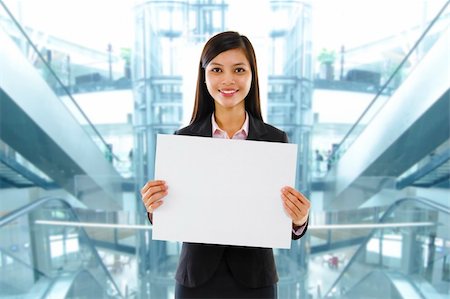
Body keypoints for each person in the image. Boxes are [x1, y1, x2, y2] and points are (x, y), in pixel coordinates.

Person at [140, 31, 310, 299]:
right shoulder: (184, 140)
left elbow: (279, 215)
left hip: (256, 280)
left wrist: (299, 220)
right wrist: (153, 207)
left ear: (252, 75)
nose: (228, 80)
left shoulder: (275, 140)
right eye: (217, 69)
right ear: (204, 75)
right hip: (195, 279)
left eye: (239, 69)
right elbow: (172, 212)